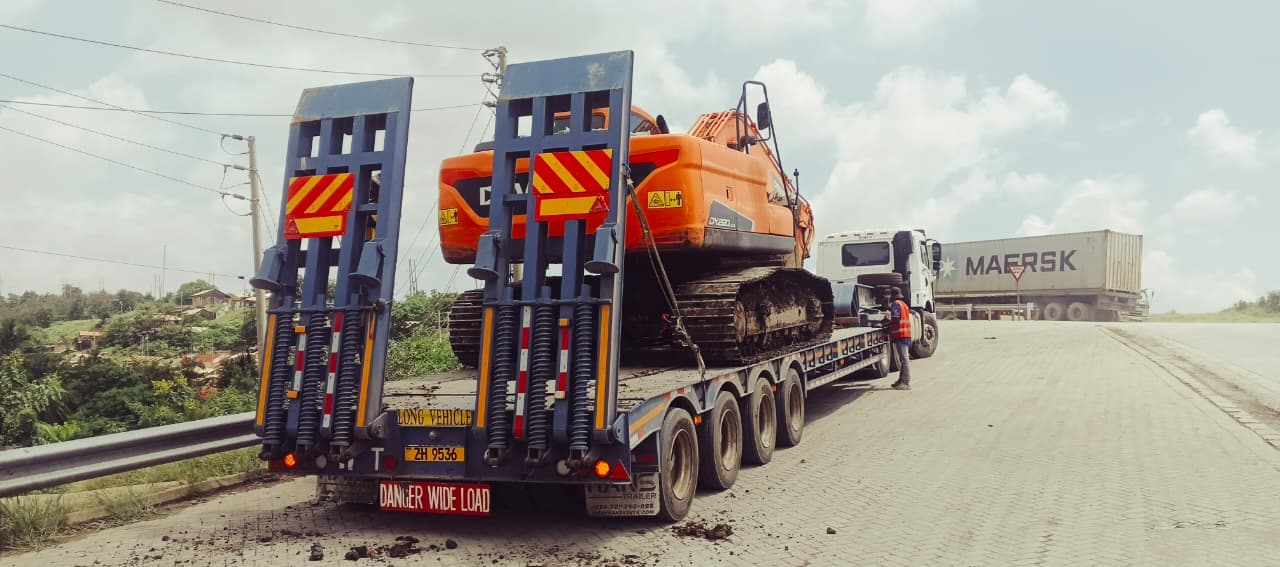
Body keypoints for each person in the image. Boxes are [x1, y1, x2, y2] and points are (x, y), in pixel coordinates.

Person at [886, 287, 912, 390]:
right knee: (903, 359)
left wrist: (887, 322)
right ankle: (901, 380)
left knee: (904, 359)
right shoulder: (904, 304)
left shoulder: (896, 304)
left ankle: (905, 382)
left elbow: (896, 319)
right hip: (905, 334)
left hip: (901, 334)